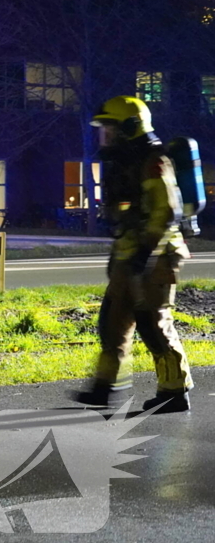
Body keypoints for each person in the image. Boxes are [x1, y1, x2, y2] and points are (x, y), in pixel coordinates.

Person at [72, 96, 192, 413]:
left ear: (130, 128)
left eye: (110, 129)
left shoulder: (154, 161)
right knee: (113, 321)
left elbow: (166, 212)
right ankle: (106, 387)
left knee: (153, 324)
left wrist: (145, 254)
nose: (105, 136)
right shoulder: (123, 161)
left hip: (157, 254)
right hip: (130, 252)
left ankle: (174, 390)